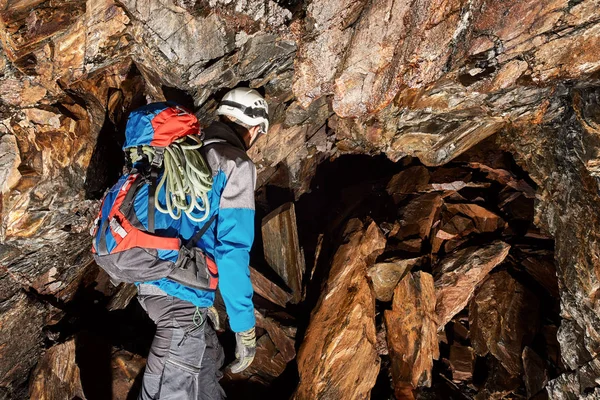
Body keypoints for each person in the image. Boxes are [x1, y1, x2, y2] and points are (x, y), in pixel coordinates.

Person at [136, 87, 269, 399]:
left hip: (149, 280)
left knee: (206, 364)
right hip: (181, 297)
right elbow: (232, 251)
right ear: (252, 129)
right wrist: (244, 326)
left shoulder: (184, 150)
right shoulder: (235, 163)